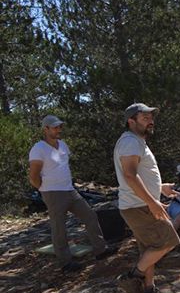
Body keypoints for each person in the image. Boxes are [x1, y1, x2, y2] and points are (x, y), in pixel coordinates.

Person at [28, 115, 118, 273]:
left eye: (59, 127)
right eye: (55, 127)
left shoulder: (62, 145)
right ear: (46, 129)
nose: (58, 130)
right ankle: (65, 262)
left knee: (90, 215)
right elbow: (34, 175)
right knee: (59, 227)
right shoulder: (39, 149)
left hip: (69, 189)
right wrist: (42, 188)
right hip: (53, 192)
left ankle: (100, 250)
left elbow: (63, 166)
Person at [114, 103, 180, 293]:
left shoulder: (137, 141)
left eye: (151, 117)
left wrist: (160, 188)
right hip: (139, 206)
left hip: (140, 204)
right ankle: (132, 277)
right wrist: (153, 203)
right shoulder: (130, 142)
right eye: (144, 118)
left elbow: (138, 176)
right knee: (167, 241)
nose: (150, 121)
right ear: (131, 121)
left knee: (149, 249)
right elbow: (129, 175)